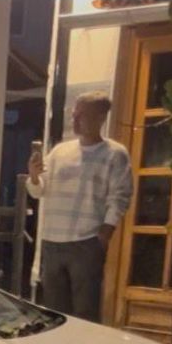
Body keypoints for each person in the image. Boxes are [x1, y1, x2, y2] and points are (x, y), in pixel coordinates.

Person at [26, 90, 133, 322]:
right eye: (74, 115)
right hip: (53, 240)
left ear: (100, 118)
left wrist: (107, 230)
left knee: (84, 312)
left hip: (86, 241)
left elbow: (120, 194)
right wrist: (34, 177)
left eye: (81, 116)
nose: (74, 120)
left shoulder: (115, 154)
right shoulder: (60, 152)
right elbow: (39, 190)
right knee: (53, 312)